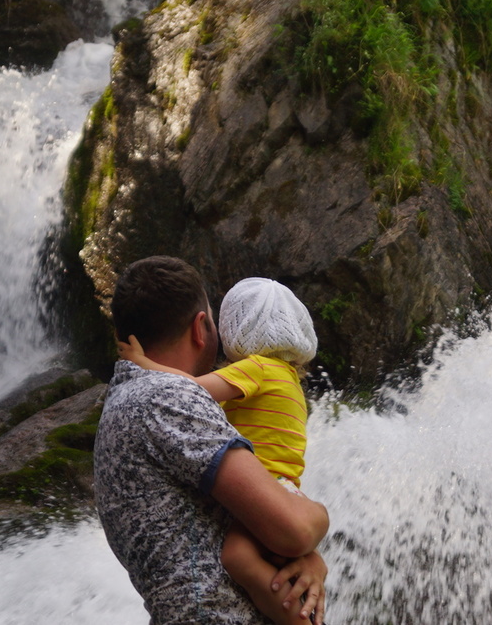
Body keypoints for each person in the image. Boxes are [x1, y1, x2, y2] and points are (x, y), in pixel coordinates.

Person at [94, 256, 329, 625]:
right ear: (201, 327)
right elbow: (293, 530)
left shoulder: (127, 401)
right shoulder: (167, 400)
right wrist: (319, 521)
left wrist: (306, 552)